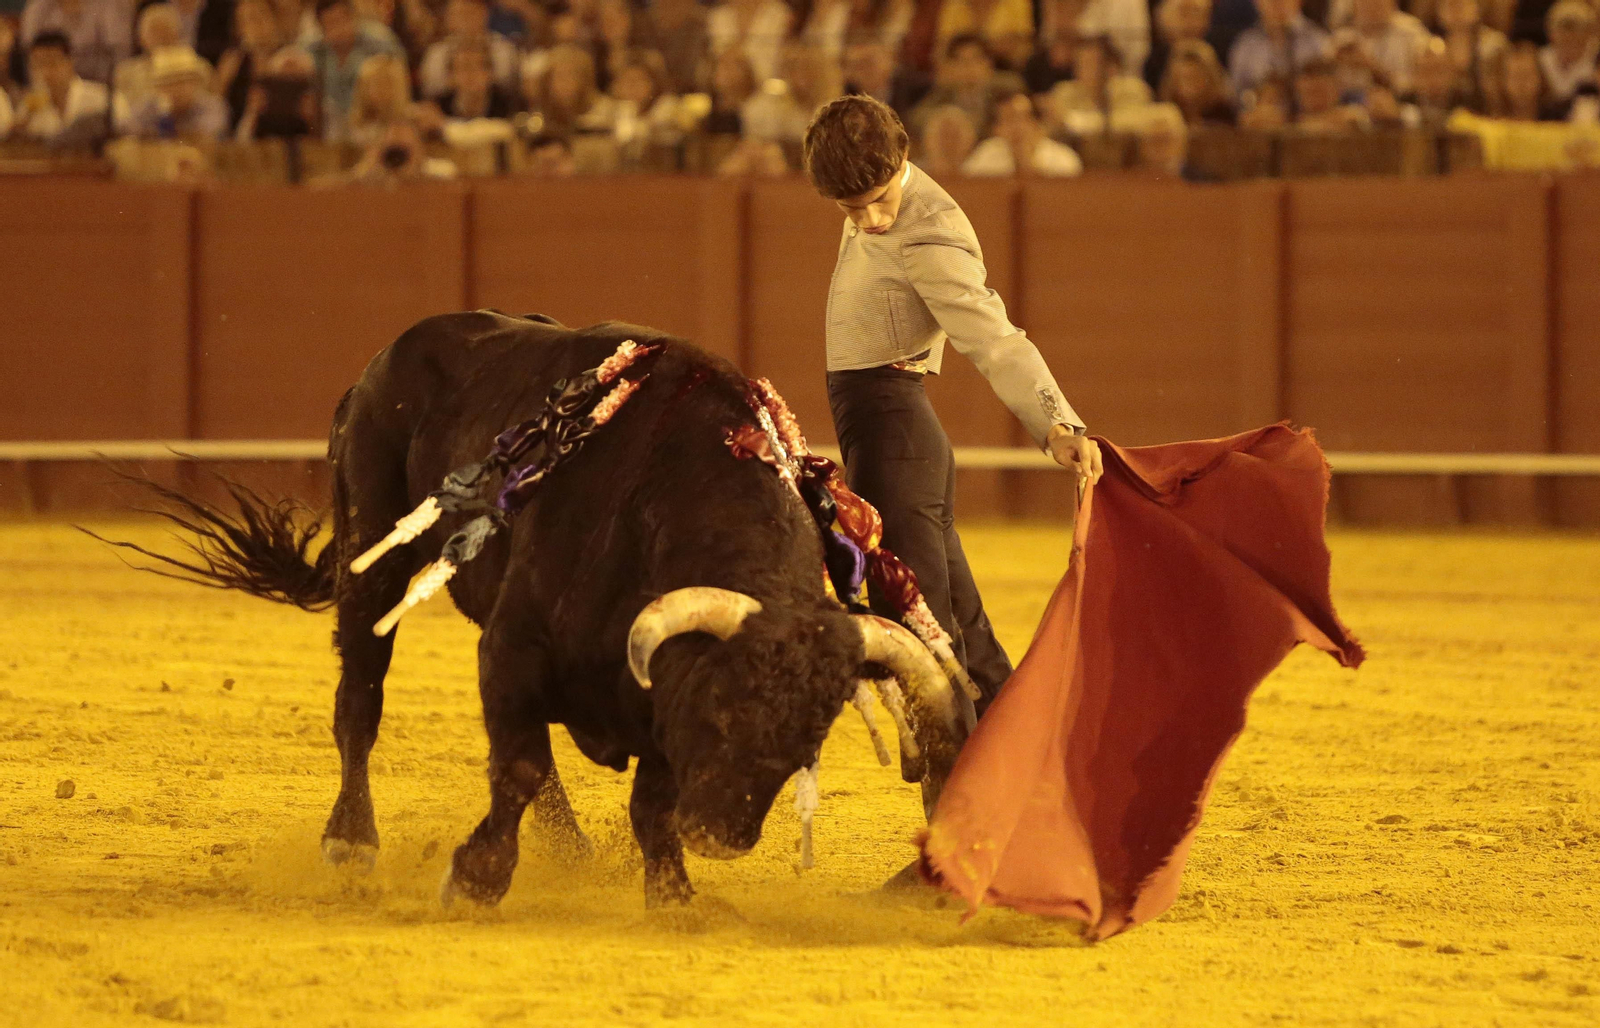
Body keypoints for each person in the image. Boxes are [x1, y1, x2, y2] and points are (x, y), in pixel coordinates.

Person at [801, 93, 1102, 749]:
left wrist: (1056, 421)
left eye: (879, 199)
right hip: (897, 436)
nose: (871, 219)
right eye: (852, 210)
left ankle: (963, 812)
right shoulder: (867, 170)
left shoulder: (931, 230)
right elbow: (849, 134)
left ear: (903, 159)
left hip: (896, 435)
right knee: (959, 623)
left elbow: (995, 337)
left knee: (922, 631)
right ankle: (1025, 770)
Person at [304, 0, 401, 140]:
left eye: (342, 19)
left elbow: (399, 84)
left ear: (353, 17)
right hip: (330, 127)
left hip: (373, 126)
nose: (339, 28)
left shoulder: (380, 42)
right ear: (321, 27)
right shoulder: (314, 49)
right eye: (331, 23)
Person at [962, 88, 1084, 174]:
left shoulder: (1063, 158)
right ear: (996, 129)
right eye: (1009, 119)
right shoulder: (985, 155)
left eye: (1023, 118)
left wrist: (1027, 162)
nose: (1017, 127)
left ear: (1037, 124)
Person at [14, 29, 109, 139]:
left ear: (70, 61)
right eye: (38, 65)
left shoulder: (102, 99)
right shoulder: (29, 107)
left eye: (51, 63)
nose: (45, 72)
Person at [1228, 0, 1331, 100]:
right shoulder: (1245, 46)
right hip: (1263, 113)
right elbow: (1236, 96)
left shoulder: (1318, 41)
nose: (1276, 2)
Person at [126, 42, 229, 136]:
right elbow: (128, 128)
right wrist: (164, 114)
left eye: (182, 82)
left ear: (196, 83)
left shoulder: (212, 106)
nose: (176, 89)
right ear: (157, 88)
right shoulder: (148, 106)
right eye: (168, 83)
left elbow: (207, 134)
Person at [418, 0, 516, 98]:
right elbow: (430, 90)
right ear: (448, 18)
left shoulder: (503, 49)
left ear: (485, 14)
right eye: (459, 14)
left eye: (471, 13)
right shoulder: (436, 53)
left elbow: (506, 86)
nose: (465, 20)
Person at [19, 0, 128, 82]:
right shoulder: (37, 9)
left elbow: (120, 59)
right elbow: (29, 58)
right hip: (51, 90)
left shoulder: (110, 5)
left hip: (102, 89)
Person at [1161, 38, 1237, 124]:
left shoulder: (1225, 116)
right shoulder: (1165, 116)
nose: (1190, 86)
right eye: (1185, 78)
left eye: (1196, 77)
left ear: (1211, 79)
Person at [1144, 0, 1212, 89]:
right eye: (1184, 14)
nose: (1190, 22)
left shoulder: (1215, 53)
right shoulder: (1155, 61)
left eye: (1196, 13)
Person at [1539, 0, 1596, 104]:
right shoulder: (1541, 60)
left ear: (1589, 33)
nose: (1569, 34)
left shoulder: (1596, 61)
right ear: (1551, 32)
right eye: (1564, 27)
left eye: (1576, 28)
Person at [915, 102, 978, 175]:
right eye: (945, 135)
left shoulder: (978, 171)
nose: (949, 142)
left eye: (954, 136)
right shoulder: (916, 173)